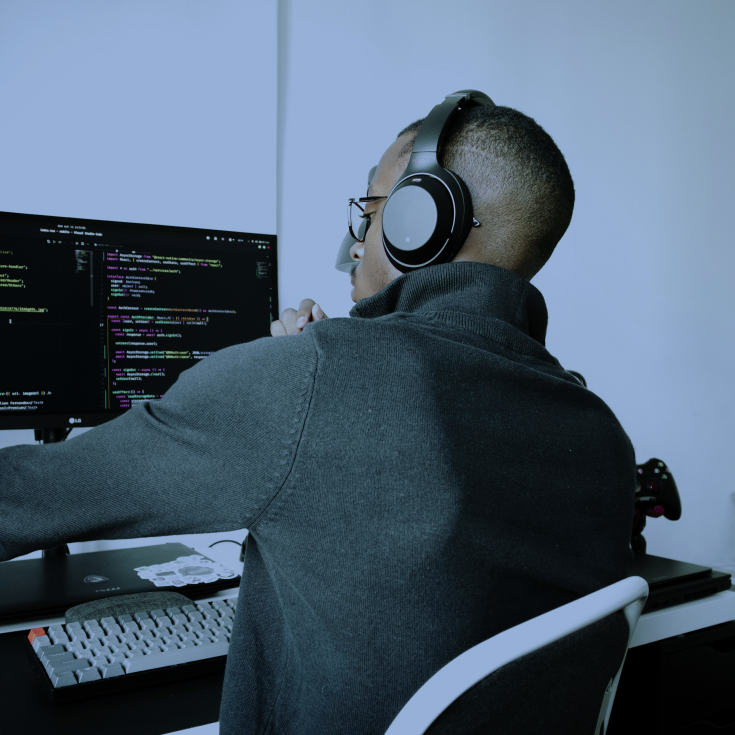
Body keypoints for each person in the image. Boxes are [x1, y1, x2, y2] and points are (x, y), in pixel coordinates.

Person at [0, 102, 636, 735]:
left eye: (373, 208)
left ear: (426, 218)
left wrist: (313, 374)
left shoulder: (307, 379)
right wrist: (343, 372)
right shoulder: (599, 429)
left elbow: (27, 496)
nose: (356, 240)